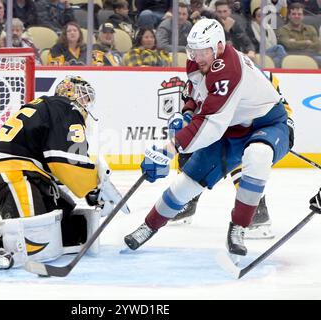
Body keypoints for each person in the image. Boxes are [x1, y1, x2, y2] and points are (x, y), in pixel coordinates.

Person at [124, 19, 292, 259]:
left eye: (203, 50)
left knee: (258, 155)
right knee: (186, 186)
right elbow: (197, 96)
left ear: (219, 47)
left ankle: (239, 227)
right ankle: (148, 226)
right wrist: (187, 113)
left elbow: (210, 124)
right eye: (193, 50)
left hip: (267, 124)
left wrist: (169, 149)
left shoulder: (229, 69)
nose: (197, 56)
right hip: (232, 129)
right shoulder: (197, 63)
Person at [0, 76, 128, 269]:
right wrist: (93, 188)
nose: (86, 103)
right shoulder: (67, 107)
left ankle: (14, 230)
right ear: (70, 93)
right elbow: (66, 162)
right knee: (32, 235)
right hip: (10, 173)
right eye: (84, 96)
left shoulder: (47, 107)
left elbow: (53, 163)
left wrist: (93, 190)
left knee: (63, 211)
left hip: (19, 171)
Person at [170, 70, 294, 240]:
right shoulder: (195, 82)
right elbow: (195, 113)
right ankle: (187, 202)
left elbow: (282, 108)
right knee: (189, 150)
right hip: (225, 126)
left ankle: (257, 212)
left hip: (259, 127)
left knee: (245, 156)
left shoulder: (259, 77)